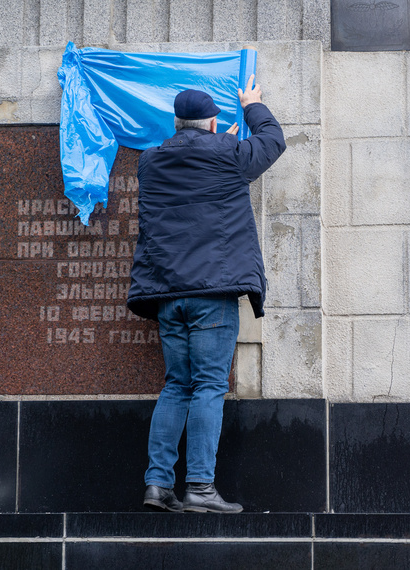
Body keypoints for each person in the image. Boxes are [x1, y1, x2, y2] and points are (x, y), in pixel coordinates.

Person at [127, 74, 286, 513]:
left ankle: (157, 485)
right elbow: (272, 141)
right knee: (209, 386)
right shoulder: (230, 154)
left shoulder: (149, 161)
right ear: (214, 123)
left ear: (176, 122)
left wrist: (220, 144)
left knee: (176, 384)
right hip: (212, 295)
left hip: (166, 295)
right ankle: (199, 488)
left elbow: (195, 162)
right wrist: (252, 104)